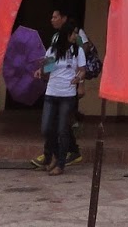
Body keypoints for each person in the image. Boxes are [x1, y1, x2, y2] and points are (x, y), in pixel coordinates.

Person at [32, 9, 88, 175]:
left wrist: (79, 79)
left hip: (67, 95)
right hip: (51, 92)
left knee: (63, 129)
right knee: (46, 128)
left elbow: (82, 69)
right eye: (73, 34)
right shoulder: (54, 50)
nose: (75, 36)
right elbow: (48, 70)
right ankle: (55, 155)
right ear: (67, 34)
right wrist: (41, 70)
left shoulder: (77, 51)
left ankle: (60, 164)